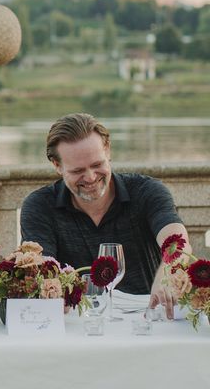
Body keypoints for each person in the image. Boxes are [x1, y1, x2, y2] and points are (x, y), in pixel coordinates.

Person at [20, 113, 190, 318]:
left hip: (148, 320)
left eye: (96, 165)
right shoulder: (39, 206)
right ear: (57, 166)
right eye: (77, 171)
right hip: (78, 326)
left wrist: (167, 275)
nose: (90, 177)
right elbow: (40, 271)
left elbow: (177, 240)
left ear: (108, 150)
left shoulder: (148, 191)